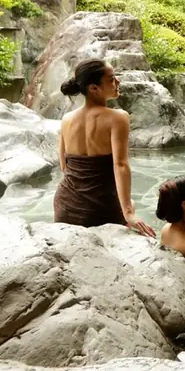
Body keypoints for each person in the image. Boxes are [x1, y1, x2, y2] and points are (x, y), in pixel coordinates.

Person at [53, 58, 155, 238]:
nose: (118, 82)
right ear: (94, 88)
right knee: (131, 203)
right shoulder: (117, 118)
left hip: (65, 207)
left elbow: (64, 167)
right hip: (99, 209)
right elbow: (120, 165)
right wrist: (128, 213)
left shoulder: (67, 119)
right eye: (112, 79)